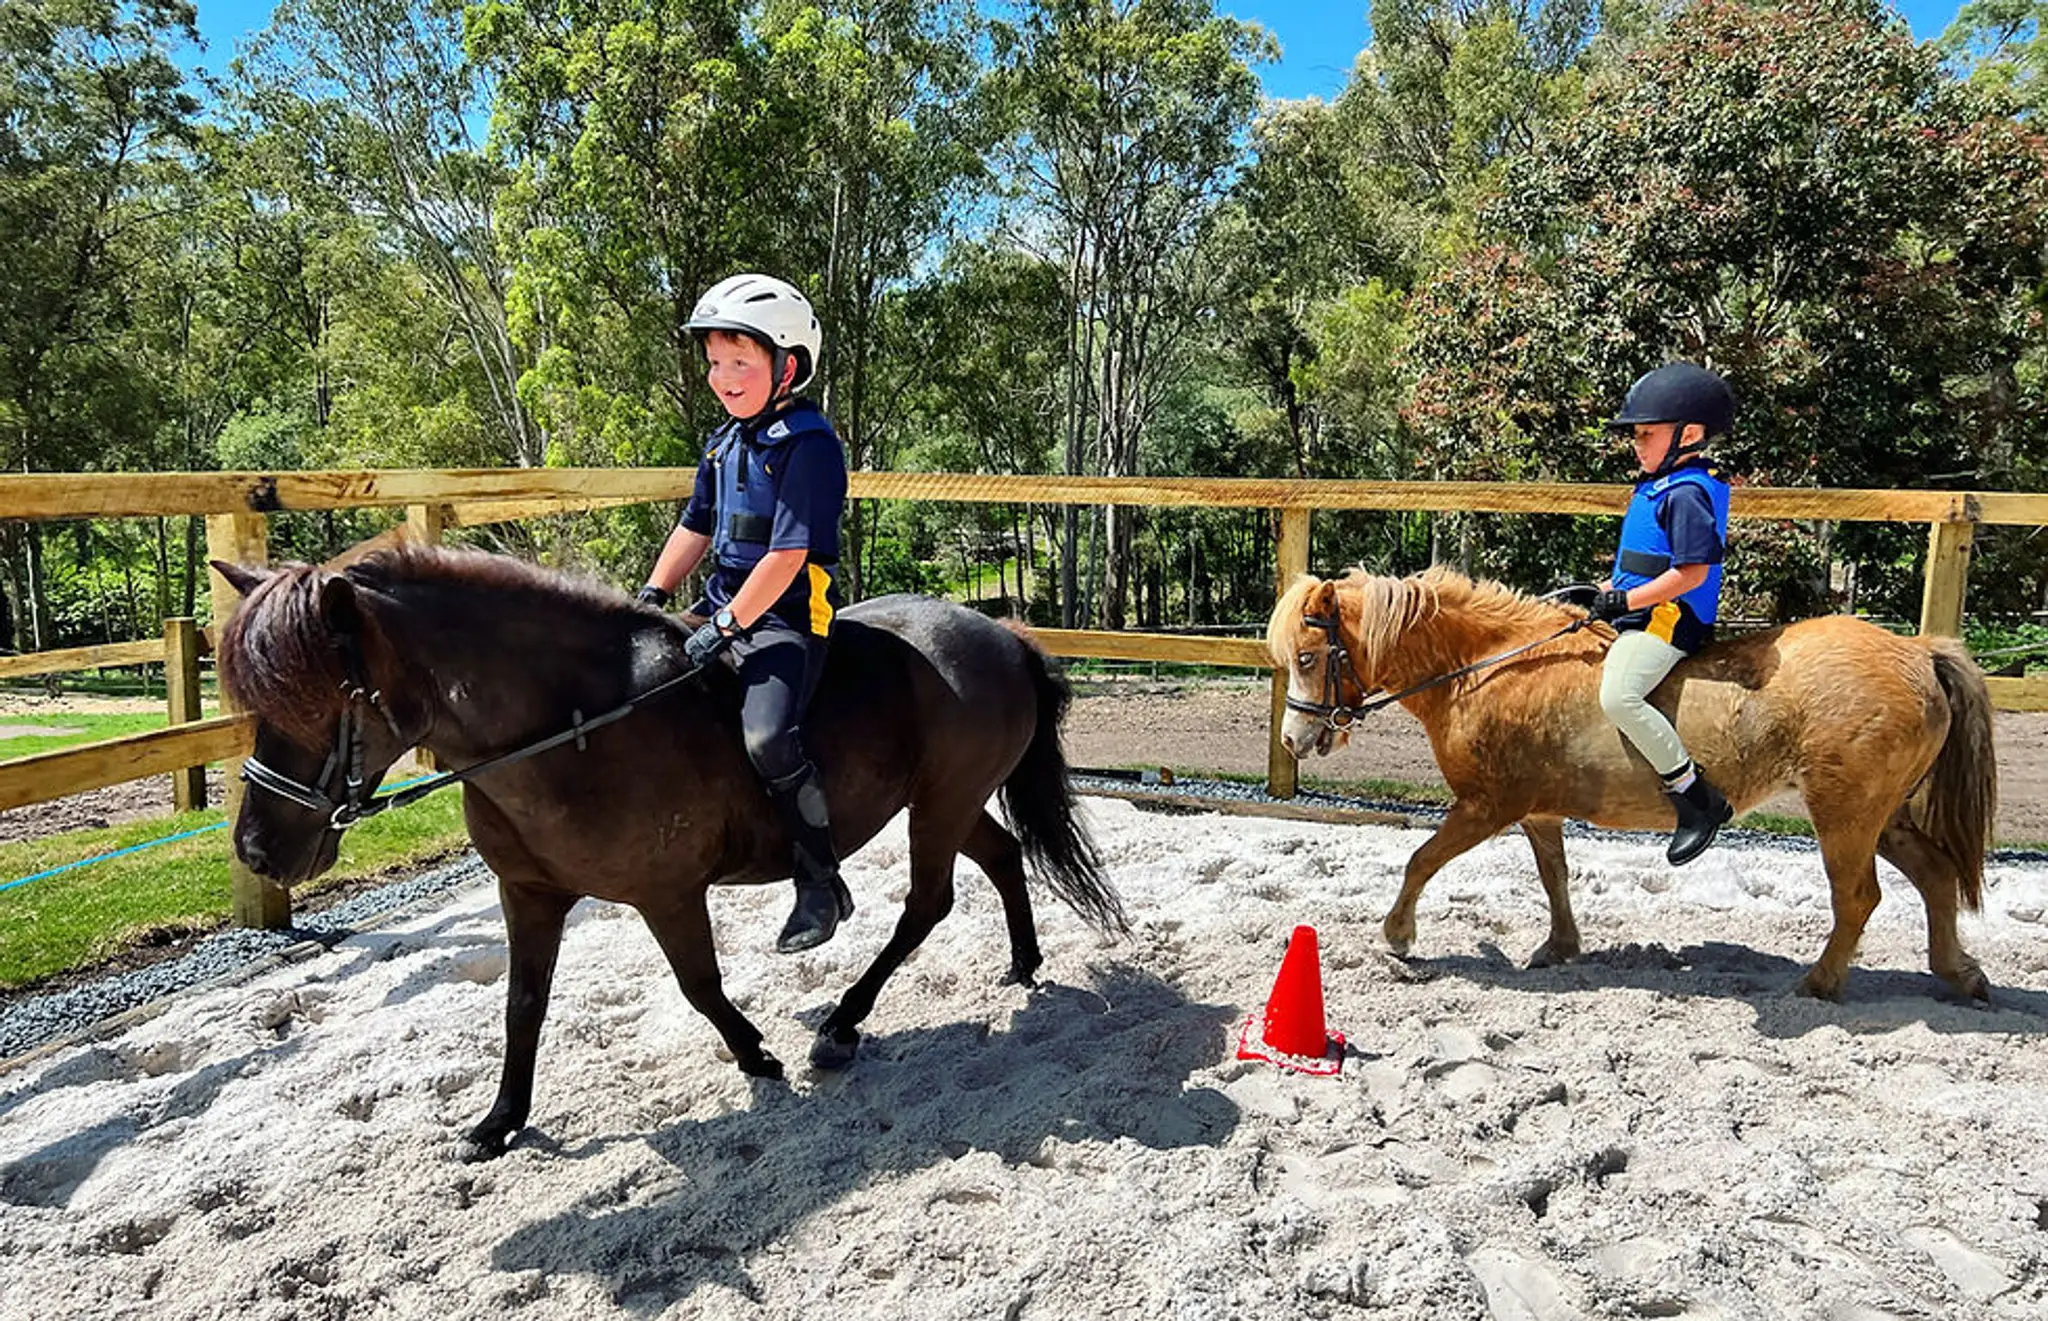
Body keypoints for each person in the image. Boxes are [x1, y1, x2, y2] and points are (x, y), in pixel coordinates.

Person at [635, 273, 853, 951]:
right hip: (720, 606)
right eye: (713, 364)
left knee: (766, 737)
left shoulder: (808, 445)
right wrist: (650, 598)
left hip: (786, 619)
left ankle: (821, 880)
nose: (722, 378)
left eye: (739, 362)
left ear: (786, 365)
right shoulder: (724, 442)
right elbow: (693, 528)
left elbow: (787, 556)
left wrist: (728, 629)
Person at [1578, 361, 1737, 866]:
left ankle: (1694, 797)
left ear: (1688, 434)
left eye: (1647, 434)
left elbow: (1690, 574)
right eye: (1637, 435)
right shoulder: (1659, 485)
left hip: (1669, 619)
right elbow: (1643, 563)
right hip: (1643, 607)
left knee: (1620, 695)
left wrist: (1623, 603)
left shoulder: (1688, 492)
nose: (1637, 444)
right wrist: (1600, 590)